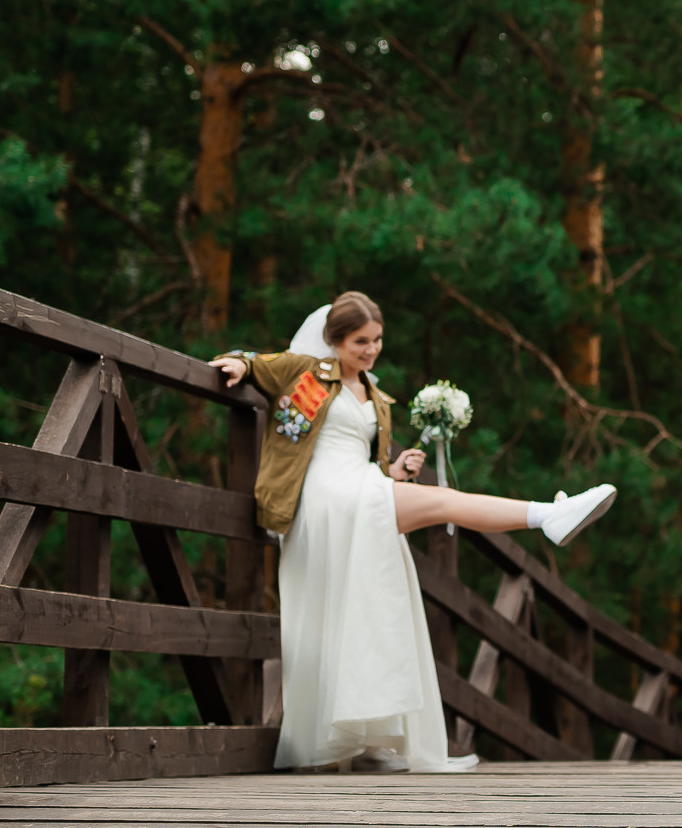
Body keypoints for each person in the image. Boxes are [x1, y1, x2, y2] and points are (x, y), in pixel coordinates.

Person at [211, 292, 617, 774]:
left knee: (380, 606)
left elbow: (368, 458)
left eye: (378, 340)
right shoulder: (305, 371)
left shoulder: (375, 395)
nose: (371, 350)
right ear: (334, 340)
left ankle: (371, 740)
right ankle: (548, 514)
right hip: (324, 496)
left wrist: (396, 467)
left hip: (361, 487)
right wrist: (236, 366)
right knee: (445, 502)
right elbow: (252, 361)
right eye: (360, 341)